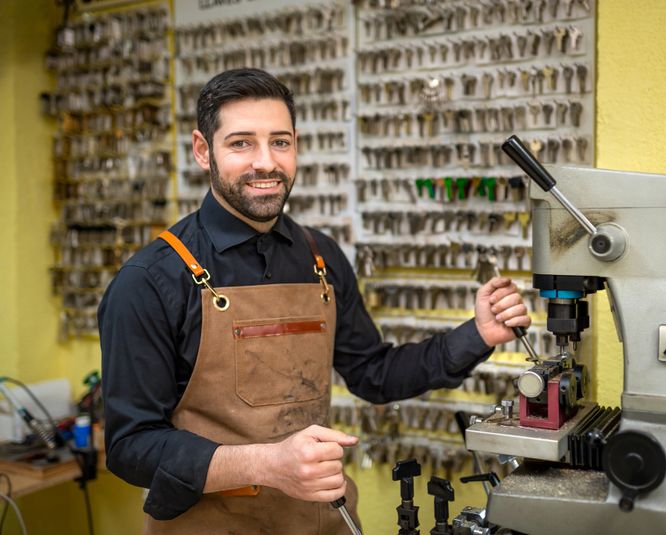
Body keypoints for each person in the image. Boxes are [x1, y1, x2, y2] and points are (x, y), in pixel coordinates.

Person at [99, 68, 532, 534]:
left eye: (280, 142)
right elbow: (132, 446)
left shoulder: (320, 256)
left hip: (322, 523)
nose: (266, 163)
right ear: (203, 150)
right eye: (241, 143)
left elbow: (374, 373)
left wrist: (477, 334)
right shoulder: (149, 280)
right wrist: (266, 464)